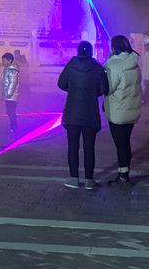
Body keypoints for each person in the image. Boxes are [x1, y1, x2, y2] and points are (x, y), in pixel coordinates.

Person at [57, 40, 108, 190]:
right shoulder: (97, 68)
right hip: (90, 112)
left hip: (72, 112)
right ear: (91, 52)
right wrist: (92, 93)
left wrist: (73, 89)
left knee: (73, 147)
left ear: (78, 51)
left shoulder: (71, 65)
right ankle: (89, 180)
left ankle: (73, 178)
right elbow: (104, 88)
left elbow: (61, 83)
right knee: (89, 148)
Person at [104, 35, 141, 185]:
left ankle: (123, 175)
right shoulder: (134, 62)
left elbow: (109, 88)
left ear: (114, 47)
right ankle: (124, 172)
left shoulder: (114, 65)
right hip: (131, 108)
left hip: (118, 111)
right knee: (125, 141)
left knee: (120, 144)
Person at [1, 52, 20, 132]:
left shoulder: (12, 71)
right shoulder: (8, 69)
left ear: (9, 61)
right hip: (9, 96)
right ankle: (13, 126)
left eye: (4, 61)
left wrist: (8, 94)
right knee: (9, 111)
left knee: (11, 112)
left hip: (12, 97)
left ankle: (14, 127)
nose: (3, 63)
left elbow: (12, 83)